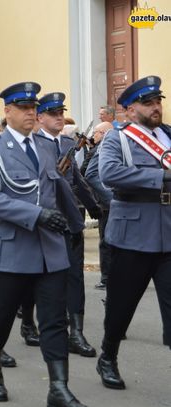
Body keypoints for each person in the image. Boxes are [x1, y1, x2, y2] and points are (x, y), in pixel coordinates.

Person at [0, 81, 86, 406]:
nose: (30, 113)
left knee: (53, 319)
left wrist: (75, 224)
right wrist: (36, 215)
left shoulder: (47, 146)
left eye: (33, 108)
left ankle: (59, 387)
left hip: (49, 248)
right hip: (11, 248)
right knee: (2, 316)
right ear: (7, 112)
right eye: (23, 108)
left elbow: (58, 188)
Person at [97, 75, 171, 390]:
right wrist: (161, 178)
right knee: (121, 306)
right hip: (132, 235)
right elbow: (109, 173)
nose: (156, 108)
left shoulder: (168, 135)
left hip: (168, 233)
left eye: (158, 101)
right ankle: (108, 356)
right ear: (129, 110)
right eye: (148, 103)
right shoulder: (119, 138)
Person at [36, 92, 101, 358]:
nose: (59, 117)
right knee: (39, 280)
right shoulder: (32, 145)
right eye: (53, 114)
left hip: (69, 222)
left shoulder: (66, 144)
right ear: (40, 118)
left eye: (61, 113)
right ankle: (32, 323)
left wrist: (97, 206)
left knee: (75, 279)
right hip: (43, 223)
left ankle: (76, 333)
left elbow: (75, 179)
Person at [84, 121, 114, 290]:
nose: (93, 136)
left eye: (96, 132)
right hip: (107, 204)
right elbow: (90, 174)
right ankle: (106, 278)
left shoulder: (111, 146)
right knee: (106, 242)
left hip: (116, 204)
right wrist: (110, 197)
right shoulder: (100, 149)